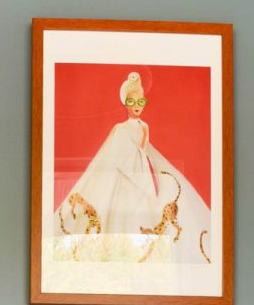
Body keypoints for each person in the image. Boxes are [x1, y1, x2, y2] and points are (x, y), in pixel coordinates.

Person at [54, 72, 211, 264]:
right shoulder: (120, 129)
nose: (136, 106)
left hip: (141, 179)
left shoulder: (144, 126)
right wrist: (137, 171)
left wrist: (149, 178)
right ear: (126, 103)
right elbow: (119, 156)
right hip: (125, 181)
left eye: (140, 102)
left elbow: (145, 153)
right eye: (132, 102)